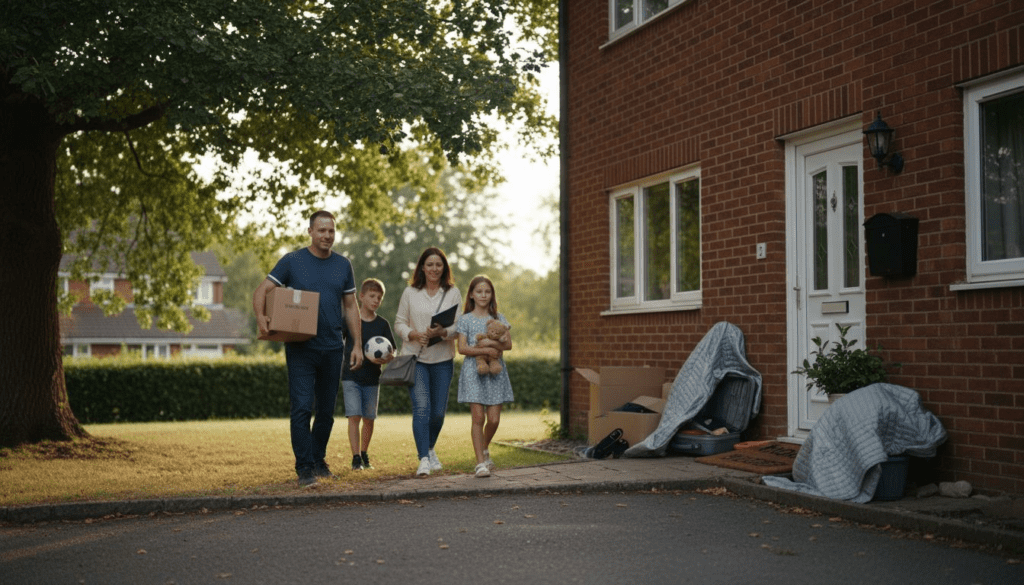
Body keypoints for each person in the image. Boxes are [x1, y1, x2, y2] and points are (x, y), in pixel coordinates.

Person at [253, 210, 363, 487]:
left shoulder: (343, 265)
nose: (327, 236)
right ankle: (304, 468)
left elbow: (351, 306)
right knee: (302, 407)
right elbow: (262, 290)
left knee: (326, 411)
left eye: (331, 231)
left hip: (332, 347)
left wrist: (357, 344)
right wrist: (261, 317)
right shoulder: (293, 261)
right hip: (301, 347)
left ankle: (318, 460)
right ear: (311, 232)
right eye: (322, 230)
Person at [393, 247, 462, 477]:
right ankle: (423, 458)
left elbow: (458, 327)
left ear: (444, 268)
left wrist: (442, 332)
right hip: (416, 359)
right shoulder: (410, 292)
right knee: (421, 409)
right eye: (430, 264)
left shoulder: (452, 293)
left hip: (443, 359)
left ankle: (430, 448)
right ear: (422, 267)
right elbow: (399, 323)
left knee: (438, 413)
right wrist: (413, 334)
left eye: (438, 265)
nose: (434, 269)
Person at [455, 275, 513, 478]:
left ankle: (484, 447)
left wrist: (490, 346)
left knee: (494, 420)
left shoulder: (500, 318)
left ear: (492, 295)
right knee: (478, 417)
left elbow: (508, 345)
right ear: (471, 294)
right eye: (479, 291)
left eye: (487, 292)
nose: (483, 295)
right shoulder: (465, 319)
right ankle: (480, 463)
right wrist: (485, 351)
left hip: (496, 373)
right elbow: (462, 348)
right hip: (474, 370)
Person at [341, 278, 395, 471]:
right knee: (354, 416)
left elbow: (392, 351)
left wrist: (386, 358)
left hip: (372, 379)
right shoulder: (350, 321)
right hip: (351, 376)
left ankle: (364, 453)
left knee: (369, 419)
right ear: (361, 296)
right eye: (372, 296)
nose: (375, 300)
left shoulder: (382, 324)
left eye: (379, 298)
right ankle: (355, 458)